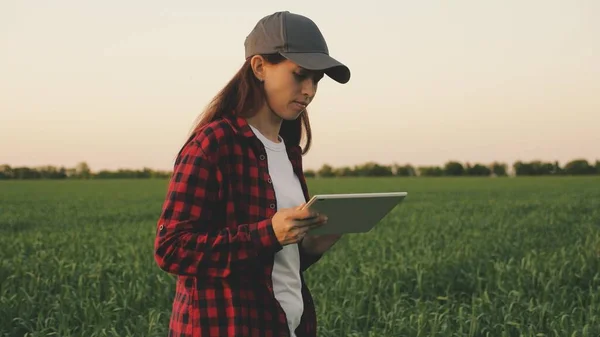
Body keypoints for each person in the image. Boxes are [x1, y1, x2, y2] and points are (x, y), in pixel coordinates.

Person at [154, 10, 351, 337]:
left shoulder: (289, 153)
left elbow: (272, 265)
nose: (309, 90)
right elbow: (171, 248)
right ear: (259, 67)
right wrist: (268, 234)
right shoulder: (213, 144)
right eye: (300, 75)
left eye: (316, 80)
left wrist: (311, 248)